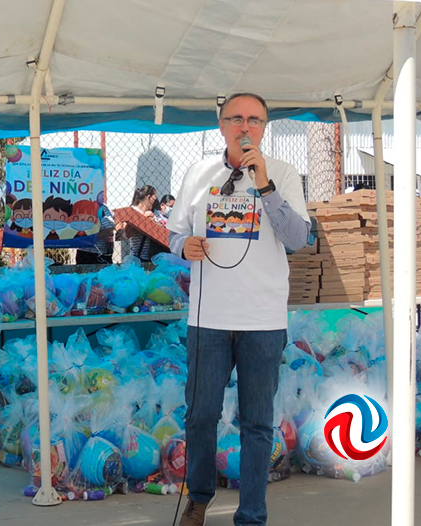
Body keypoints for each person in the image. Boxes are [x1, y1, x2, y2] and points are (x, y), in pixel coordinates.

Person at [166, 93, 309, 526]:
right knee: (201, 415)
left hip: (262, 321)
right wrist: (183, 246)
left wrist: (264, 185)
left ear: (265, 127)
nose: (245, 127)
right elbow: (174, 235)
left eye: (254, 120)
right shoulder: (198, 173)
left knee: (257, 423)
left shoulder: (283, 174)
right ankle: (199, 498)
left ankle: (251, 513)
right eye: (236, 119)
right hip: (208, 319)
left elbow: (298, 239)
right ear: (221, 125)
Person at [126, 185, 163, 262]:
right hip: (136, 256)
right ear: (148, 197)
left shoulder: (155, 212)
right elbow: (127, 234)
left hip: (153, 256)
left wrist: (153, 222)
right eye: (154, 197)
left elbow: (163, 230)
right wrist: (144, 220)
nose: (156, 200)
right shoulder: (133, 210)